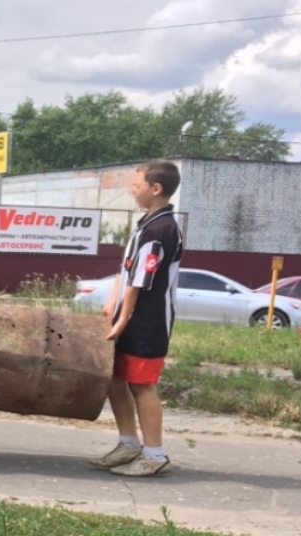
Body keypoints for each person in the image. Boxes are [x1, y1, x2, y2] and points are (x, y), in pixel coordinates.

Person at [89, 159, 183, 476]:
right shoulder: (145, 224)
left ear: (156, 189)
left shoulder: (163, 230)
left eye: (136, 185)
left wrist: (123, 318)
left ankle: (155, 455)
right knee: (115, 379)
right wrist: (113, 303)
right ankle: (128, 444)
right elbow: (126, 271)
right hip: (127, 317)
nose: (132, 190)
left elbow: (142, 282)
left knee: (143, 386)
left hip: (148, 321)